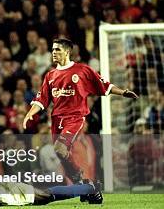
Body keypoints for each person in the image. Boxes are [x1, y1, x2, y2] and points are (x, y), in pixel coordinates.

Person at [22, 38, 138, 183]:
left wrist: (122, 92)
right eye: (52, 50)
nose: (53, 52)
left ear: (67, 51)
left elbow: (104, 85)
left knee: (59, 148)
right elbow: (41, 99)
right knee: (60, 153)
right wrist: (30, 113)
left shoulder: (82, 70)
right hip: (57, 119)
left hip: (74, 118)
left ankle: (78, 176)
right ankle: (81, 181)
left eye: (57, 49)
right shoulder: (50, 75)